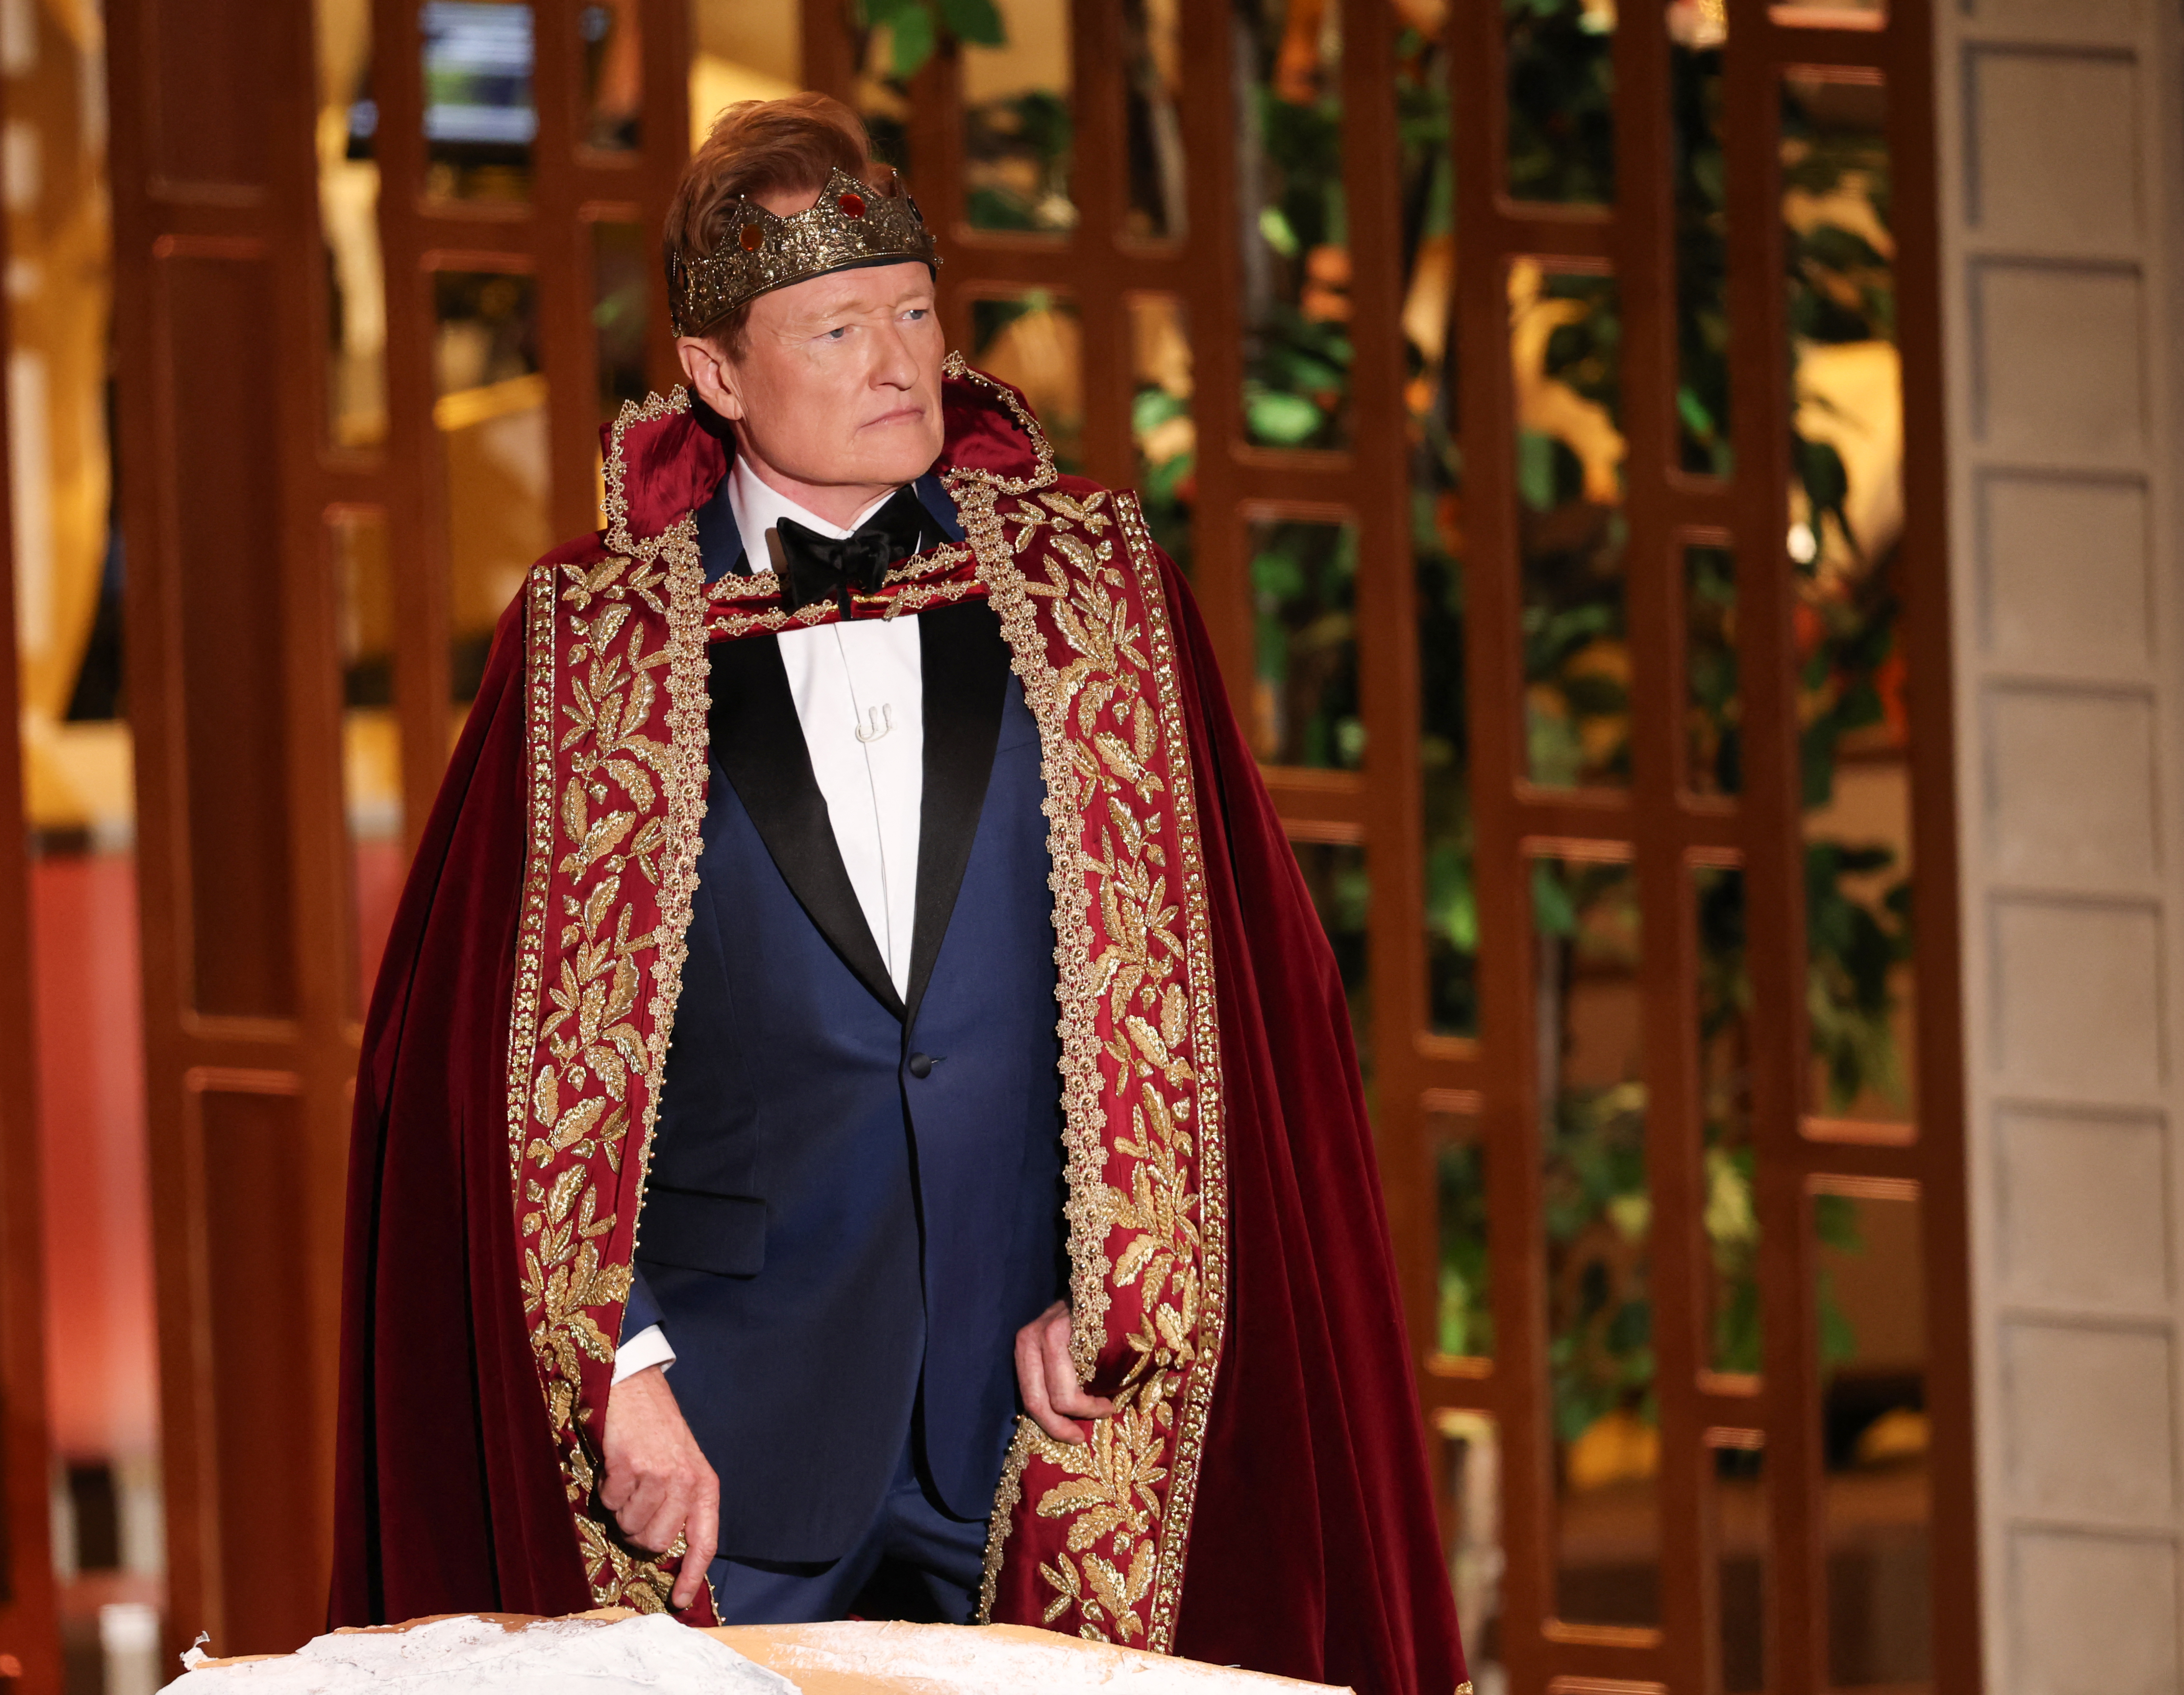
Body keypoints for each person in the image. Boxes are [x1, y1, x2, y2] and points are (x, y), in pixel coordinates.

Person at [328, 93, 1468, 1695]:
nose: (897, 361)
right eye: (840, 326)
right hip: (721, 1442)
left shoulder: (1098, 589)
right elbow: (492, 1073)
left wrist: (1120, 1284)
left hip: (1047, 1417)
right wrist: (625, 1370)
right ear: (717, 376)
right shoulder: (590, 646)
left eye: (917, 314)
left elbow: (1232, 989)